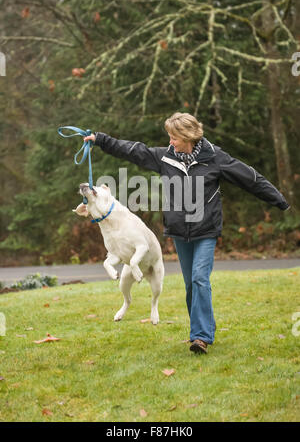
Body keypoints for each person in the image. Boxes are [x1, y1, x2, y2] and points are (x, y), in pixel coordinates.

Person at [84, 112, 290, 355]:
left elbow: (250, 179)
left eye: (174, 137)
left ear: (189, 136)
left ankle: (200, 337)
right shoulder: (165, 158)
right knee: (192, 284)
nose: (170, 142)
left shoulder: (215, 157)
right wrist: (101, 140)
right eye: (169, 137)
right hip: (180, 231)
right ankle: (204, 328)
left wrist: (279, 200)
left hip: (206, 230)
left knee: (200, 278)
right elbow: (133, 150)